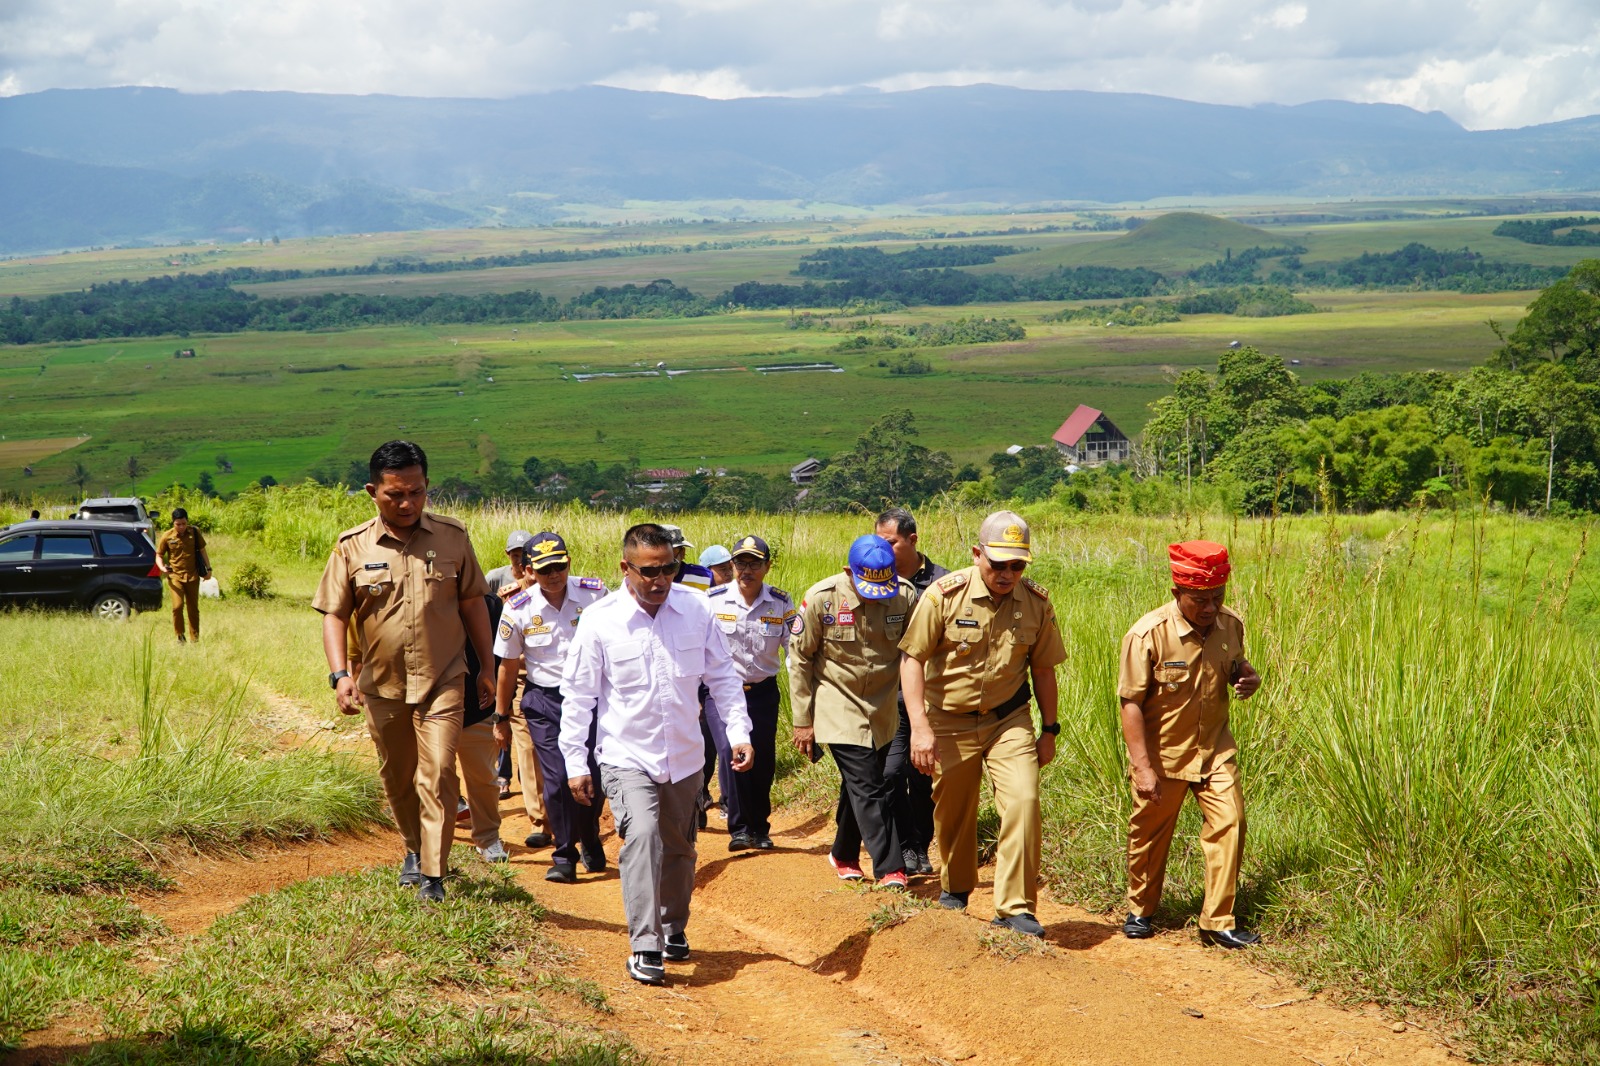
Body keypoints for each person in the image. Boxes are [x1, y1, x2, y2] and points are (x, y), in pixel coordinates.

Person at [559, 523, 754, 986]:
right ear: (626, 568)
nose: (660, 579)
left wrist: (738, 733)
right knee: (643, 836)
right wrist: (574, 763)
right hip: (627, 755)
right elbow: (578, 697)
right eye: (649, 570)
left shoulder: (695, 609)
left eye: (669, 568)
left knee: (681, 847)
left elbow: (723, 678)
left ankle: (672, 927)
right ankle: (645, 943)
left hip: (686, 757)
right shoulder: (601, 620)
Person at [313, 440, 494, 903]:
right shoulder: (352, 547)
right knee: (398, 776)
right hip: (381, 684)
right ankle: (414, 849)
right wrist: (340, 675)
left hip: (444, 678)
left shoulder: (453, 537)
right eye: (395, 494)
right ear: (373, 491)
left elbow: (473, 601)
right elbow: (335, 613)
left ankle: (433, 874)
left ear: (427, 486)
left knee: (436, 774)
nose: (407, 502)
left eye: (416, 492)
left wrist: (486, 668)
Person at [899, 510, 1067, 938]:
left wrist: (1049, 730)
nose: (1008, 573)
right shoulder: (942, 596)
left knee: (1024, 801)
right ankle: (955, 883)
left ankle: (1014, 907)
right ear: (977, 554)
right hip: (948, 720)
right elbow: (912, 659)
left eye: (1018, 565)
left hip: (1007, 720)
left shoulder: (1036, 603)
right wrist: (919, 726)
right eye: (999, 564)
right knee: (955, 810)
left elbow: (1044, 670)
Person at [1118, 540, 1263, 948]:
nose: (1210, 607)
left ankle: (1217, 922)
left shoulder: (1231, 624)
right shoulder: (1147, 635)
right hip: (1163, 756)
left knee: (1230, 822)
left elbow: (1236, 665)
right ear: (1176, 593)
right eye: (1199, 599)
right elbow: (1130, 703)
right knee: (1149, 836)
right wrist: (1143, 767)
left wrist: (1247, 678)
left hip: (1215, 749)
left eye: (1217, 597)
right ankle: (1141, 910)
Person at [790, 534, 917, 888]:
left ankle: (843, 853)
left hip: (882, 708)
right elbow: (800, 659)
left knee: (860, 785)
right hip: (837, 703)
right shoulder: (821, 599)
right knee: (868, 785)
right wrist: (803, 720)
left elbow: (916, 654)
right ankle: (891, 867)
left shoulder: (905, 596)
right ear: (849, 572)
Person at [493, 531, 609, 883]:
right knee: (558, 780)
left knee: (592, 774)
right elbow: (508, 665)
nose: (554, 575)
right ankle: (564, 855)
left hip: (592, 699)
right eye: (545, 570)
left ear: (568, 561)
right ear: (529, 570)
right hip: (545, 701)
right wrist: (501, 716)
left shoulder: (595, 594)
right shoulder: (518, 608)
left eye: (559, 566)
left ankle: (589, 835)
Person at [706, 535, 796, 851]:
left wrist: (802, 698)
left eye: (754, 563)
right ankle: (740, 828)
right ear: (732, 565)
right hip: (720, 693)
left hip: (762, 693)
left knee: (763, 760)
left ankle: (760, 827)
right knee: (732, 750)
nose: (746, 569)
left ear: (767, 567)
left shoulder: (781, 603)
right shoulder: (713, 600)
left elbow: (793, 651)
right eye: (741, 562)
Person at [875, 507, 948, 876]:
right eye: (879, 543)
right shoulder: (874, 580)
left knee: (922, 779)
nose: (883, 551)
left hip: (930, 702)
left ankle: (920, 846)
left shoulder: (943, 583)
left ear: (912, 540)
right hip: (887, 701)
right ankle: (902, 843)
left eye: (891, 543)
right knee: (889, 775)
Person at [457, 591, 509, 863]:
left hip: (477, 707)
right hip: (431, 707)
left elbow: (501, 657)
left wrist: (501, 708)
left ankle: (488, 838)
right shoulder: (422, 599)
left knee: (483, 779)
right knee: (432, 777)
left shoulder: (489, 603)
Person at [155, 507, 211, 644]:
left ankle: (195, 638)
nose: (181, 527)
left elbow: (203, 551)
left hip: (193, 576)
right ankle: (180, 635)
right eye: (178, 524)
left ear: (187, 521)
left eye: (184, 524)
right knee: (177, 607)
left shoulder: (194, 533)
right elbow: (159, 555)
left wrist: (208, 569)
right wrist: (162, 567)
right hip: (175, 577)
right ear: (173, 523)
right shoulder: (167, 536)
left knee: (193, 609)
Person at [660, 524, 713, 591]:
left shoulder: (704, 577)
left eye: (671, 555)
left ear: (682, 553)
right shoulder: (646, 577)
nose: (665, 563)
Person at [485, 530, 533, 598]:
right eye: (516, 556)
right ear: (508, 554)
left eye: (524, 556)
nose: (520, 560)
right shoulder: (493, 578)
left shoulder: (539, 578)